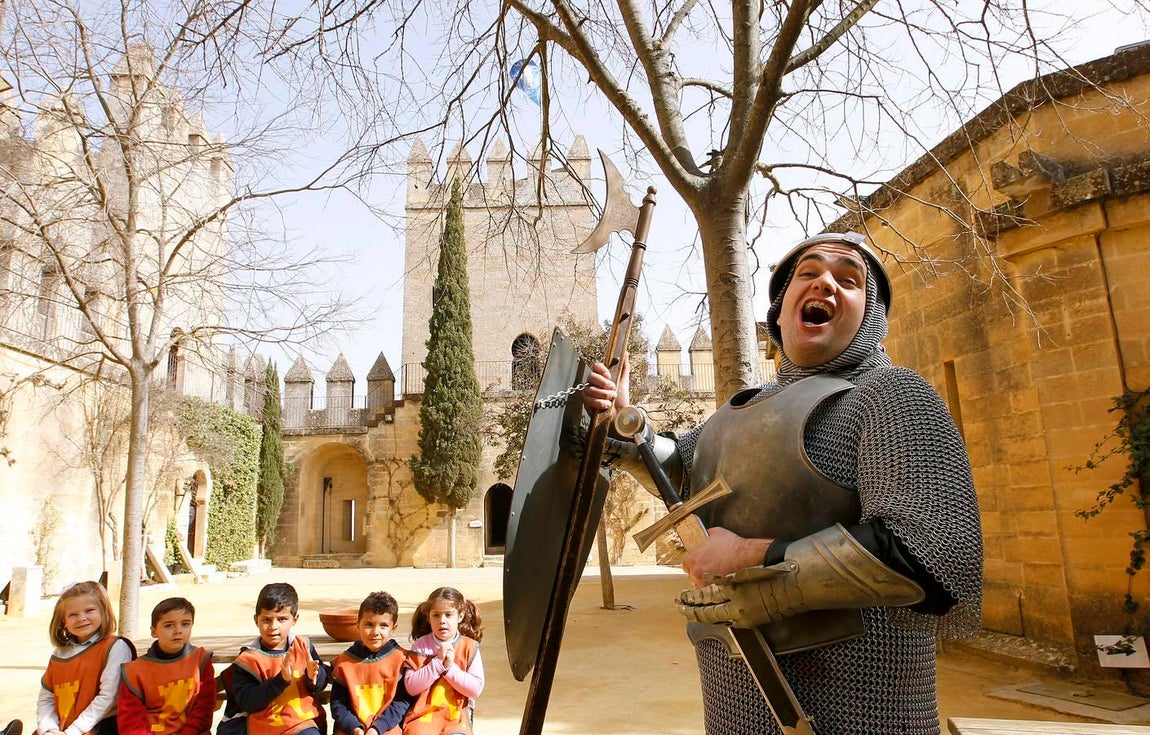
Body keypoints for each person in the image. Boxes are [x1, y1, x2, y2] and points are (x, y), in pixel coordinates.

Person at [583, 231, 983, 735]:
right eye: (808, 273)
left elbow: (930, 559)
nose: (826, 285)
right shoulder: (740, 411)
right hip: (739, 701)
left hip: (863, 711)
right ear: (779, 308)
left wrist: (750, 555)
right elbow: (684, 472)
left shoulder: (890, 395)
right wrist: (630, 428)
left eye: (849, 279)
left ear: (873, 316)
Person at [217, 582, 328, 735]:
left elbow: (319, 683)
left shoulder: (303, 646)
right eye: (266, 620)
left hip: (301, 721)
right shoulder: (248, 660)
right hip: (263, 722)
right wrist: (280, 681)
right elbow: (247, 702)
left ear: (294, 619)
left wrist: (314, 676)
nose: (273, 626)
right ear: (256, 620)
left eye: (282, 619)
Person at [36, 580, 136, 735]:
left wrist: (73, 731)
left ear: (103, 612)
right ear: (63, 620)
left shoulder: (116, 647)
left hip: (100, 729)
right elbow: (46, 698)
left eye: (89, 610)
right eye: (73, 614)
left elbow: (109, 697)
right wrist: (48, 729)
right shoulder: (58, 655)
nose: (81, 618)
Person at [117, 597, 215, 735]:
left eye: (185, 624)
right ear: (154, 631)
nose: (178, 630)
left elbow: (203, 709)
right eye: (169, 625)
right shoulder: (135, 672)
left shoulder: (201, 660)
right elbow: (131, 722)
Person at [329, 591, 414, 735]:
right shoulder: (344, 663)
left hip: (387, 727)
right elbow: (338, 704)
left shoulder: (401, 660)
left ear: (394, 629)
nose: (375, 632)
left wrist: (377, 728)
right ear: (358, 625)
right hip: (351, 729)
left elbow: (401, 702)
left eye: (383, 626)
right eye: (369, 624)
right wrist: (354, 727)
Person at [403, 587, 485, 735]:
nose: (442, 621)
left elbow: (475, 688)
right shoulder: (421, 646)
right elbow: (411, 687)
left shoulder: (469, 646)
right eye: (436, 615)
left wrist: (449, 668)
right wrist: (437, 664)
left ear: (460, 616)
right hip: (424, 716)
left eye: (448, 615)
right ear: (429, 618)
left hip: (456, 717)